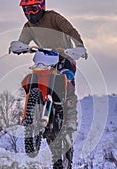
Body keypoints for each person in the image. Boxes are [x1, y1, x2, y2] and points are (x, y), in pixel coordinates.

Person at [11, 0, 88, 131]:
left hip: (65, 55)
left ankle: (70, 118)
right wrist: (19, 46)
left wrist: (79, 46)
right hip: (45, 57)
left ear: (41, 7)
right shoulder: (29, 26)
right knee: (34, 76)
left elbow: (70, 30)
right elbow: (23, 41)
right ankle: (32, 111)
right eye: (26, 10)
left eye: (33, 9)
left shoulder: (53, 17)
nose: (30, 13)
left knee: (67, 78)